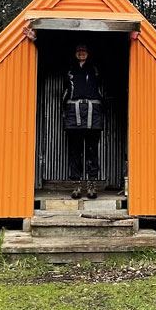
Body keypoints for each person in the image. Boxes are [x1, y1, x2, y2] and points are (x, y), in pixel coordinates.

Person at [63, 43, 104, 199]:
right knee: (75, 151)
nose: (81, 53)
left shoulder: (95, 68)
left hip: (93, 114)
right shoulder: (69, 69)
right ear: (75, 53)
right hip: (74, 113)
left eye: (84, 51)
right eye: (79, 51)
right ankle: (77, 185)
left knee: (92, 150)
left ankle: (92, 185)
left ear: (88, 53)